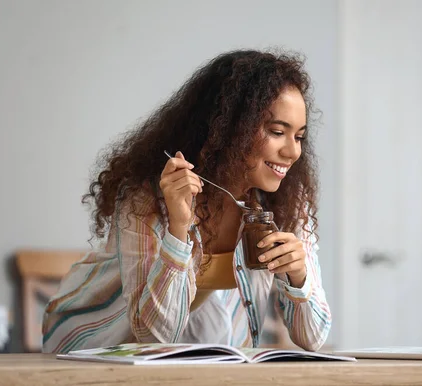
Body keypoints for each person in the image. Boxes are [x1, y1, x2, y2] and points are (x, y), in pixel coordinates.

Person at [42, 49, 331, 354]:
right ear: (232, 128)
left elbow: (313, 339)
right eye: (276, 132)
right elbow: (152, 336)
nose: (293, 152)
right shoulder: (150, 198)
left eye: (299, 136)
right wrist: (179, 229)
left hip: (187, 349)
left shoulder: (285, 202)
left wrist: (299, 278)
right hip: (95, 346)